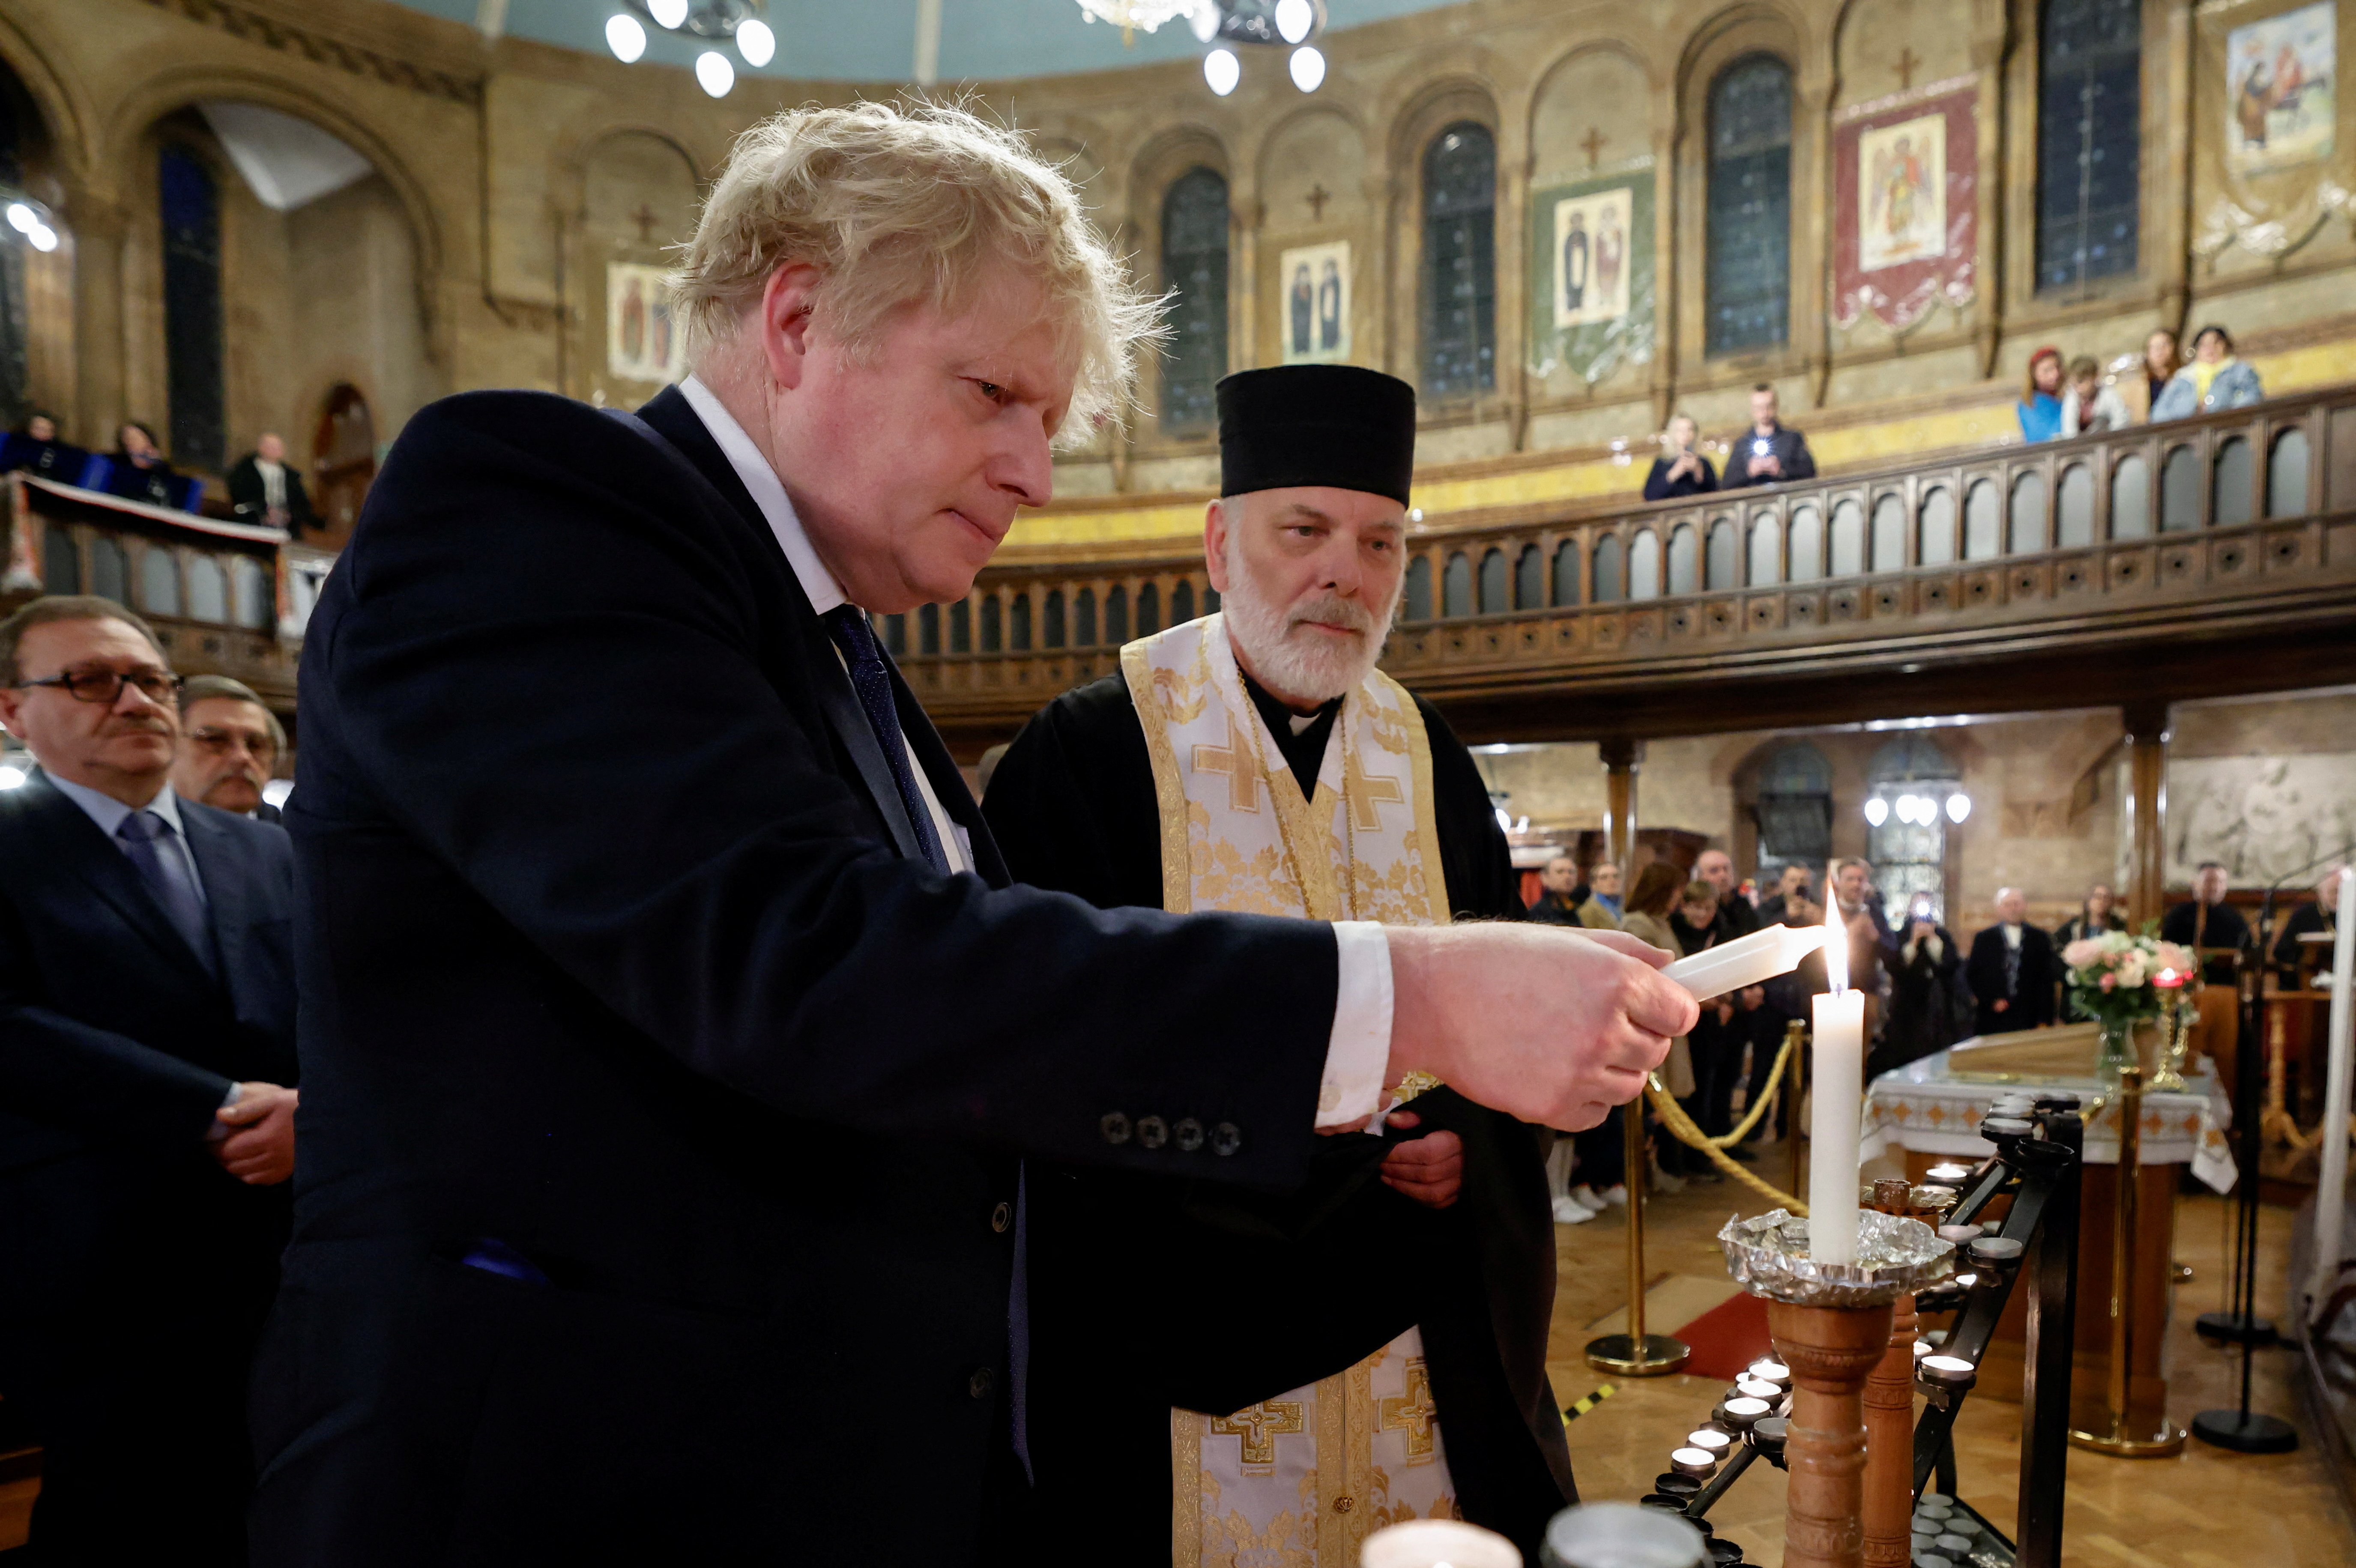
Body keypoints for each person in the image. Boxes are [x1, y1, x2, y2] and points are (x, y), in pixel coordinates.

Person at [246, 102, 1694, 1566]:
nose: (1035, 474)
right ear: (799, 318)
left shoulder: (843, 651)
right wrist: (1420, 995)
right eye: (994, 393)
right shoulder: (533, 504)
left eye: (1051, 422)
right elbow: (813, 962)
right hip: (570, 1491)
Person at [983, 363, 1575, 1562]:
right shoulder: (1091, 751)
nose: (1341, 575)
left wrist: (1471, 1136)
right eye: (1301, 531)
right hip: (1178, 1344)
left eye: (1378, 543)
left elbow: (1499, 1012)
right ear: (1217, 541)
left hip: (1412, 1340)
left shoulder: (1429, 757)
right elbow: (1035, 1055)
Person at [0, 596, 299, 1566]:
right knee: (122, 1516)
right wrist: (207, 1109)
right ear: (13, 712)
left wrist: (315, 1111)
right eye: (90, 680)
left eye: (152, 680)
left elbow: (336, 1004)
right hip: (100, 1252)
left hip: (284, 1238)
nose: (133, 701)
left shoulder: (264, 848)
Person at [173, 673, 285, 821]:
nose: (242, 757)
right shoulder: (140, 834)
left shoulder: (300, 839)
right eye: (215, 740)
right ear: (167, 750)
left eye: (256, 745)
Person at [1882, 908, 1968, 1072]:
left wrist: (1932, 940)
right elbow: (1897, 966)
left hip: (1938, 1005)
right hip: (1908, 1006)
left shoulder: (1942, 936)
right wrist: (1914, 942)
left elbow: (1950, 964)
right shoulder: (1902, 935)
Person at [1966, 887, 2059, 1036]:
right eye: (2007, 905)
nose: (2013, 909)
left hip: (2030, 1015)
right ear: (1999, 909)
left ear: (2025, 906)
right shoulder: (1984, 939)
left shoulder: (2039, 938)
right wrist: (1991, 1001)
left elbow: (2047, 979)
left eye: (2017, 904)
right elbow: (1974, 975)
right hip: (1993, 1016)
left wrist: (2045, 1018)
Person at [2160, 860, 2252, 986]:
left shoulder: (2234, 918)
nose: (2215, 887)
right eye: (2210, 881)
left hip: (2224, 986)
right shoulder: (2179, 915)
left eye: (2221, 882)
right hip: (2184, 982)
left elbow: (2248, 951)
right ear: (2196, 883)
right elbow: (2167, 947)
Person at [2150, 325, 2265, 420]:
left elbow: (2252, 396)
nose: (2210, 349)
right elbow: (2159, 413)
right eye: (2204, 345)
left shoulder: (2240, 371)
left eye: (2216, 343)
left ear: (2226, 346)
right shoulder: (2183, 378)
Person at [2053, 881, 2125, 1021]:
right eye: (2097, 897)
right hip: (2078, 991)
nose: (2101, 901)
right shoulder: (2071, 928)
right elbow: (2058, 957)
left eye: (2106, 898)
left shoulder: (2119, 927)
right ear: (2088, 901)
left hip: (2108, 990)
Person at [1723, 384, 1817, 490]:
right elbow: (1727, 482)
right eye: (1759, 408)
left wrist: (1781, 470)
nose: (1764, 413)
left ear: (1776, 405)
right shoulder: (1742, 445)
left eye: (1768, 406)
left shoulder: (1793, 439)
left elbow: (1809, 472)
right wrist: (1749, 472)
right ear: (1752, 410)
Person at [228, 431, 319, 536]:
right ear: (261, 448)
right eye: (270, 447)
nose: (274, 450)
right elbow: (241, 495)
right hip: (253, 521)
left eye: (277, 447)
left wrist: (288, 515)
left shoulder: (290, 476)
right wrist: (264, 512)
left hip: (286, 525)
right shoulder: (246, 471)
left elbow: (302, 503)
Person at [2272, 866, 2344, 986]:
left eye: (2342, 893)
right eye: (2334, 891)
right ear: (2321, 891)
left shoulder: (2351, 915)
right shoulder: (2303, 915)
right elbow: (2282, 952)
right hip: (2306, 982)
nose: (2338, 897)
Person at [104, 420, 183, 508]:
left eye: (135, 438)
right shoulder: (121, 465)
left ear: (147, 439)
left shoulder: (162, 467)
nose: (131, 442)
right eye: (127, 439)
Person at [1642, 413, 1717, 501]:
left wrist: (1699, 473)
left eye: (1689, 430)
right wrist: (1674, 473)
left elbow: (1715, 491)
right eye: (1680, 431)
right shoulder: (1663, 462)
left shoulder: (1704, 463)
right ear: (1673, 434)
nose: (1685, 434)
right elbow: (1650, 495)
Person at [0, 410, 88, 483]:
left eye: (46, 430)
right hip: (17, 483)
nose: (41, 433)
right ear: (29, 429)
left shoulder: (59, 449)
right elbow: (7, 465)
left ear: (52, 433)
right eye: (38, 428)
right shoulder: (17, 442)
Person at [1694, 847, 1758, 939]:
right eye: (1714, 871)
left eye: (1726, 869)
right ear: (1700, 877)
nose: (1723, 876)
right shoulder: (1697, 908)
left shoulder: (1742, 902)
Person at [2060, 356, 2131, 436]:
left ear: (2095, 377)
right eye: (2074, 385)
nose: (2078, 390)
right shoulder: (2072, 398)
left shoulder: (2108, 394)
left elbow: (2121, 421)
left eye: (2081, 382)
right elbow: (2069, 431)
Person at [2016, 346, 2065, 442]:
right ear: (2034, 375)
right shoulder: (2029, 404)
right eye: (2047, 370)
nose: (2056, 374)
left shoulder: (2067, 394)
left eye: (2058, 368)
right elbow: (2043, 437)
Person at [1527, 853, 1585, 924]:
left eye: (1571, 872)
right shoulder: (1538, 914)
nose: (1567, 876)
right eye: (1560, 872)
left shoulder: (1582, 906)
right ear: (1545, 878)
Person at [2141, 328, 2181, 418]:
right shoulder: (2143, 385)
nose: (2160, 350)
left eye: (2165, 345)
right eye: (2154, 347)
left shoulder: (2184, 378)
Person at [1587, 858, 1625, 923]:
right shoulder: (1589, 911)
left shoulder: (1624, 908)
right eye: (1604, 878)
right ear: (1594, 885)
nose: (1612, 881)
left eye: (1616, 876)